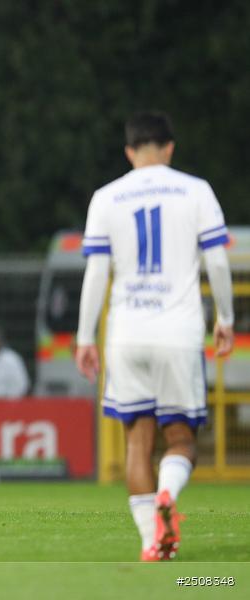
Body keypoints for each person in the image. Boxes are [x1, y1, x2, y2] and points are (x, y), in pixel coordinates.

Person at [75, 111, 234, 561]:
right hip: (178, 332)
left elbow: (96, 272)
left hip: (126, 334)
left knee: (136, 442)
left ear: (129, 152)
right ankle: (168, 495)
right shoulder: (196, 190)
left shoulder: (107, 197)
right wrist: (225, 317)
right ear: (169, 147)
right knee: (181, 440)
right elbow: (218, 262)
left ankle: (152, 544)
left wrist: (86, 337)